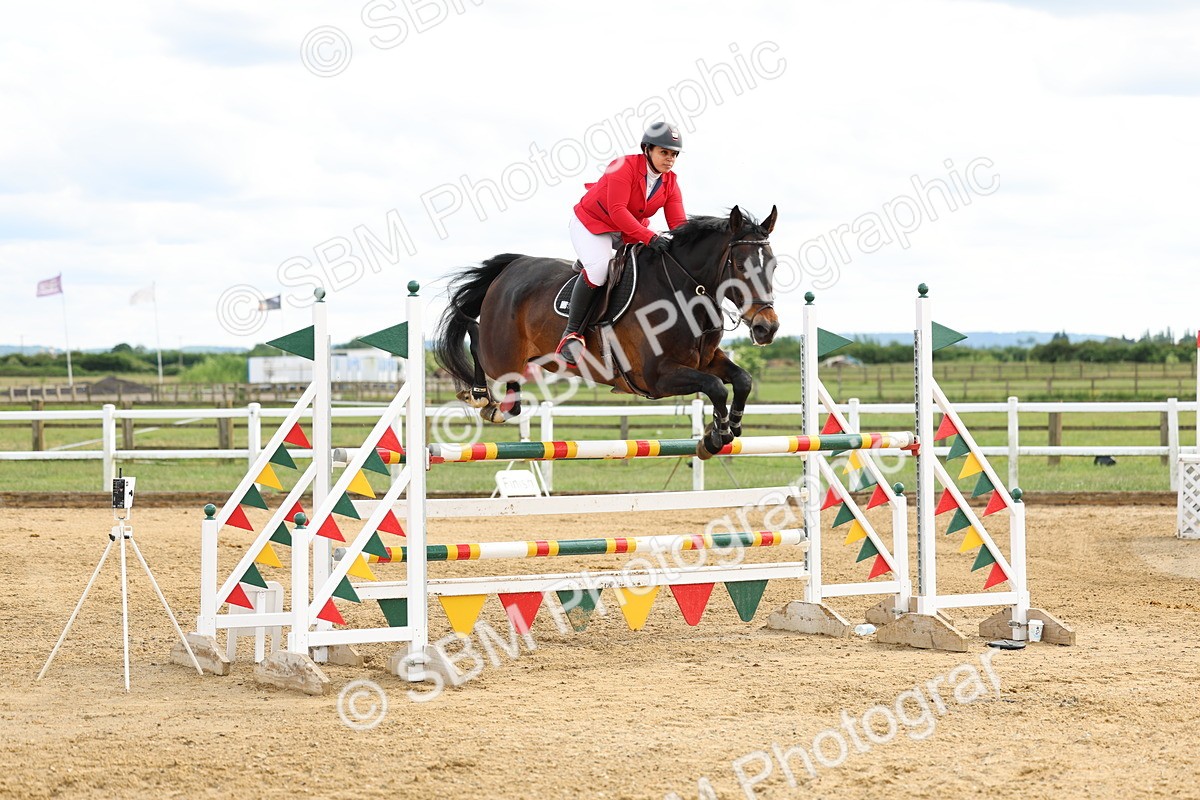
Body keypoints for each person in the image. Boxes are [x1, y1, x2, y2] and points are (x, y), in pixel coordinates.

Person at [556, 121, 687, 366]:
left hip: (626, 230)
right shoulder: (623, 166)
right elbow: (617, 212)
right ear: (647, 149)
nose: (669, 159)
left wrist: (689, 245)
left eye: (674, 154)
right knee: (599, 269)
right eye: (664, 152)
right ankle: (571, 334)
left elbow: (679, 224)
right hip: (593, 223)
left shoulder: (670, 183)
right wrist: (650, 237)